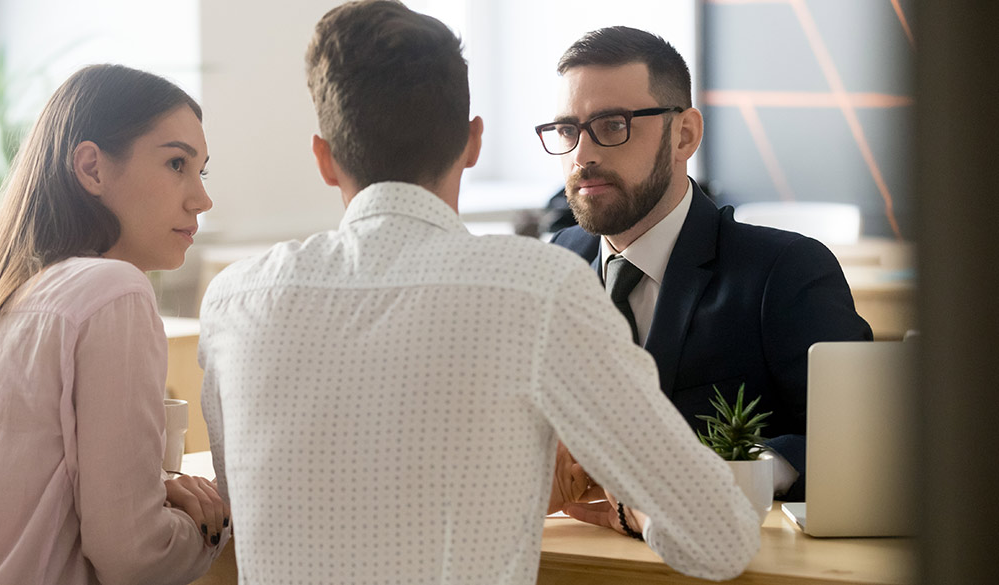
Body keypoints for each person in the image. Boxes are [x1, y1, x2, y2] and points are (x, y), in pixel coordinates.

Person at [198, 2, 758, 583]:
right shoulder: (538, 291)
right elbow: (721, 537)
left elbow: (243, 510)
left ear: (323, 158)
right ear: (472, 143)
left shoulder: (232, 302)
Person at [0, 64, 229, 585]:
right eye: (177, 163)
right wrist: (218, 517)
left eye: (202, 172)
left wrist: (151, 493)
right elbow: (135, 557)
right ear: (92, 168)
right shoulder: (114, 291)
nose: (201, 198)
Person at [542, 26, 873, 504]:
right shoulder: (555, 264)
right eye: (568, 130)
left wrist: (736, 476)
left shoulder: (786, 272)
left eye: (614, 125)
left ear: (685, 135)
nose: (582, 155)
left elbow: (860, 439)